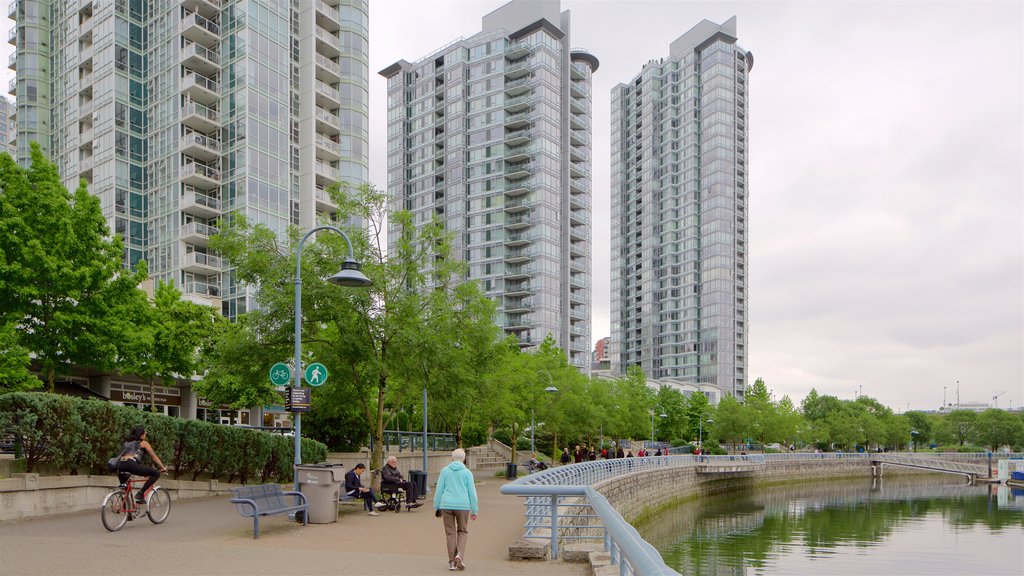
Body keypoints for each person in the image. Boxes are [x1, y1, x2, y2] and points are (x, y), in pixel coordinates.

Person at [434, 448, 478, 571]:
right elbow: (472, 493)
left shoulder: (445, 471)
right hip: (463, 506)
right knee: (462, 531)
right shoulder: (467, 473)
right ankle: (460, 555)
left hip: (446, 505)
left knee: (450, 533)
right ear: (464, 459)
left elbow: (439, 490)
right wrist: (474, 510)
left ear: (452, 458)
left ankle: (451, 562)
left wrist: (436, 506)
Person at [115, 425, 167, 504]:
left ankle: (126, 512)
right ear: (141, 435)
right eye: (145, 434)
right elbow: (154, 457)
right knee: (155, 474)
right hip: (130, 464)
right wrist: (163, 467)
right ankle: (140, 494)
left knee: (125, 490)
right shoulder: (143, 443)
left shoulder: (126, 443)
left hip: (120, 465)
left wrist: (143, 472)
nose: (146, 435)